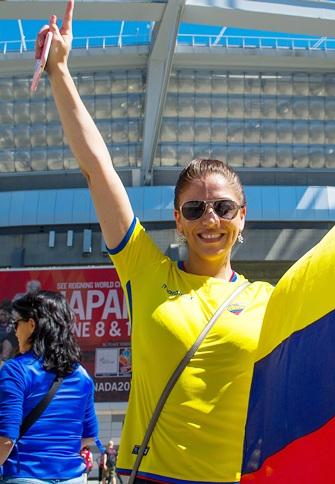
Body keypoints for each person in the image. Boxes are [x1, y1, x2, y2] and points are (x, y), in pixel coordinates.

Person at [40, 2, 273, 482]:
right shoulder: (145, 270)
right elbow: (97, 168)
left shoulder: (270, 301)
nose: (210, 218)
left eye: (223, 207)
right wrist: (60, 72)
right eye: (195, 209)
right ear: (178, 221)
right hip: (152, 476)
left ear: (242, 218)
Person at [0, 291, 100, 481]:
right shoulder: (81, 375)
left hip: (25, 475)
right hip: (72, 477)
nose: (14, 330)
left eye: (16, 323)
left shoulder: (15, 370)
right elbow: (89, 436)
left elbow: (5, 439)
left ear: (31, 324)